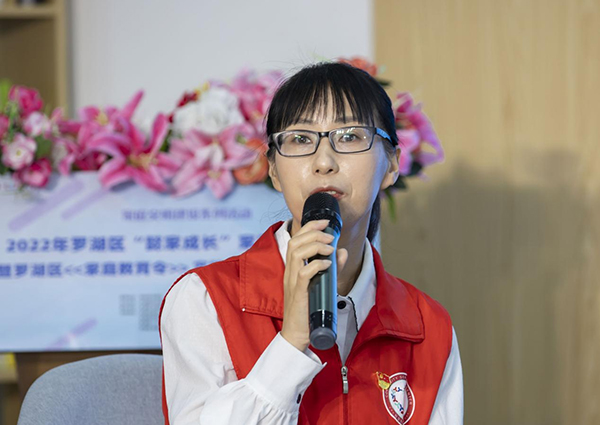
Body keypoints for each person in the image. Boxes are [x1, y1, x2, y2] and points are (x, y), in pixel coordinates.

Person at [159, 62, 463, 425]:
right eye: (301, 139)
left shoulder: (428, 327)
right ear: (274, 170)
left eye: (349, 136)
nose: (324, 162)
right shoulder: (205, 299)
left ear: (392, 164)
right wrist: (291, 344)